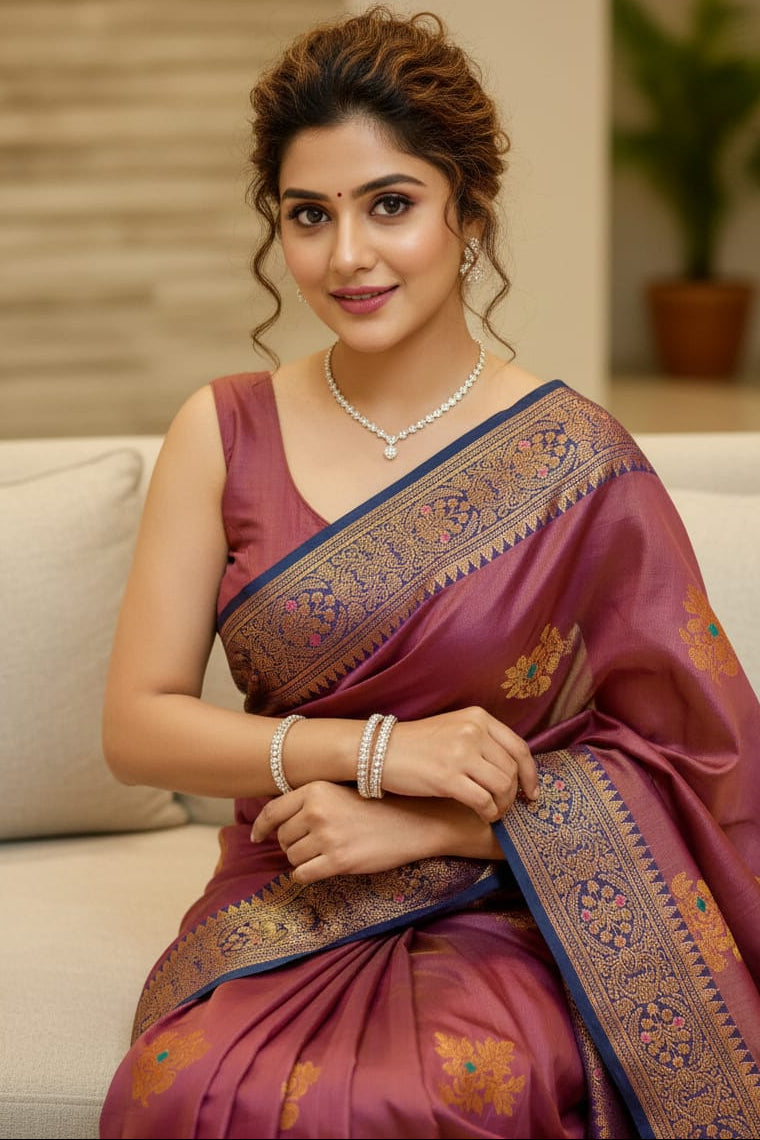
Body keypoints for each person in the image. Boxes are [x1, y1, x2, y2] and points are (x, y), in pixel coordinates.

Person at [98, 6, 760, 1138]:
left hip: (509, 900)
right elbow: (137, 730)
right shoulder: (222, 429)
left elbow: (694, 762)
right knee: (194, 1087)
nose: (346, 256)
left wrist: (445, 827)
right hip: (290, 880)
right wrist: (375, 754)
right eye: (309, 216)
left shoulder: (572, 459)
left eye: (389, 205)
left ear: (467, 212)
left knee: (448, 1087)